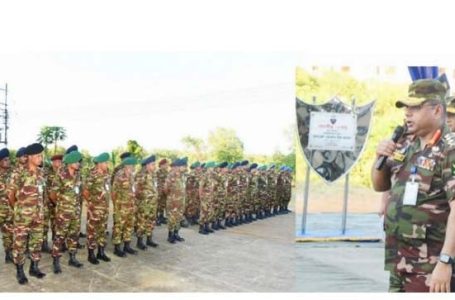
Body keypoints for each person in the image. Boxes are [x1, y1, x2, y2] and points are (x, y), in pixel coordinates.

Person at [371, 79, 455, 292]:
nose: (407, 113)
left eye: (415, 107)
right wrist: (379, 159)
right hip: (399, 260)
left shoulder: (449, 150)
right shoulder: (405, 142)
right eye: (406, 107)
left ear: (437, 110)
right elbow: (379, 186)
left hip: (431, 264)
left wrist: (445, 261)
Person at [7, 143, 46, 284]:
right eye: (38, 156)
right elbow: (10, 195)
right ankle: (20, 271)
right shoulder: (18, 172)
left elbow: (43, 194)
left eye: (41, 155)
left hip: (38, 216)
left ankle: (34, 268)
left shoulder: (41, 173)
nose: (40, 158)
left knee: (36, 242)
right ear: (29, 157)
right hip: (22, 218)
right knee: (19, 244)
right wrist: (18, 210)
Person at [50, 150, 84, 274]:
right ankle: (56, 261)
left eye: (78, 162)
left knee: (74, 235)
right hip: (63, 212)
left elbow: (79, 192)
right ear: (69, 162)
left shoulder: (78, 174)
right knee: (59, 237)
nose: (78, 164)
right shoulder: (61, 174)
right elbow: (53, 195)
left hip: (75, 211)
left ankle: (72, 258)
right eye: (76, 162)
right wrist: (60, 206)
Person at [82, 152, 112, 264]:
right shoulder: (92, 174)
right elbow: (85, 191)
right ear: (99, 163)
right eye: (105, 162)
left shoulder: (107, 173)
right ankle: (91, 254)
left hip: (104, 208)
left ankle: (101, 252)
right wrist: (91, 203)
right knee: (92, 231)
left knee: (102, 230)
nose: (107, 164)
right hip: (94, 209)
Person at [112, 156, 138, 257]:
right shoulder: (119, 175)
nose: (134, 167)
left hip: (130, 205)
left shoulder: (131, 175)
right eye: (132, 165)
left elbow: (133, 190)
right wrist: (116, 206)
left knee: (129, 226)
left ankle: (127, 246)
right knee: (119, 226)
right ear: (127, 166)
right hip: (121, 206)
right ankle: (117, 248)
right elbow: (114, 192)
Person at [134, 155, 159, 250]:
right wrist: (141, 201)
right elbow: (136, 190)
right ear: (148, 165)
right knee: (141, 222)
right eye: (153, 164)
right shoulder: (141, 174)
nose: (155, 166)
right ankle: (139, 242)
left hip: (153, 203)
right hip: (144, 204)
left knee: (151, 221)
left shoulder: (153, 174)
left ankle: (149, 239)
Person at [164, 158, 186, 243]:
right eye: (183, 166)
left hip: (181, 201)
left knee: (179, 218)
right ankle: (170, 235)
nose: (184, 168)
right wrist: (171, 197)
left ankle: (176, 234)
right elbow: (166, 188)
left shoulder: (182, 175)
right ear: (178, 167)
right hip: (173, 202)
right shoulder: (171, 175)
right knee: (172, 218)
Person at [0, 148, 13, 264]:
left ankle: (8, 254)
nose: (8, 162)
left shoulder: (12, 175)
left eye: (9, 159)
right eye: (5, 160)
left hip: (8, 211)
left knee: (8, 233)